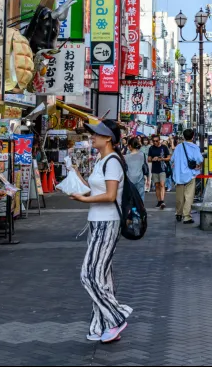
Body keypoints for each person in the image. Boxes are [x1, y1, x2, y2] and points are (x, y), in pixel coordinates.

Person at [69, 119, 132, 343]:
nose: (91, 137)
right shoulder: (101, 159)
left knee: (89, 275)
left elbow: (110, 196)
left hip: (108, 222)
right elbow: (93, 187)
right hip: (96, 222)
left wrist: (84, 200)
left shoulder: (112, 161)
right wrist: (74, 176)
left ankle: (116, 318)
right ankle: (102, 326)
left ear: (108, 139)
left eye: (96, 134)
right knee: (102, 277)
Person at [171, 129, 203, 224]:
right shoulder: (194, 147)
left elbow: (172, 159)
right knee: (189, 196)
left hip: (179, 175)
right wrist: (198, 165)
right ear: (193, 136)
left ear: (184, 137)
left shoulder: (178, 147)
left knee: (179, 196)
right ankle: (186, 216)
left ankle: (178, 213)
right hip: (190, 174)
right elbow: (199, 159)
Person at [123, 137, 150, 202]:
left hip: (129, 180)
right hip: (140, 179)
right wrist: (148, 180)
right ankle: (140, 211)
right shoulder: (142, 155)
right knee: (140, 199)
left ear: (130, 146)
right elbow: (146, 168)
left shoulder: (126, 157)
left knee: (130, 200)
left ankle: (132, 211)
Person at [147, 135, 170, 209]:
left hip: (162, 168)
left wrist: (162, 158)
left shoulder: (164, 147)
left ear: (159, 140)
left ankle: (162, 201)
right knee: (157, 185)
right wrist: (153, 159)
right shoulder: (151, 148)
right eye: (153, 141)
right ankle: (159, 201)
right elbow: (149, 159)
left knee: (162, 184)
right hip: (155, 169)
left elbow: (169, 157)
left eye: (156, 141)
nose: (155, 142)